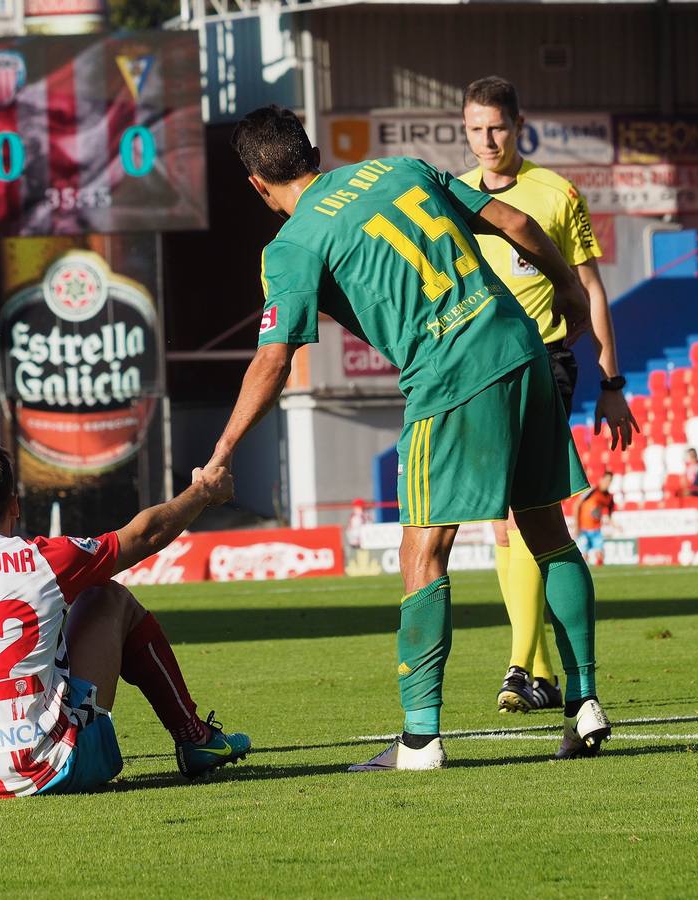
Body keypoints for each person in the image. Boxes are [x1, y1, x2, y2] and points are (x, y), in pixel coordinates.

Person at [212, 105, 608, 770]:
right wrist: (568, 290)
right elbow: (513, 223)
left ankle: (421, 739)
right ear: (311, 151)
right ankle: (587, 701)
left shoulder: (291, 247)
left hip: (450, 376)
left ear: (256, 183)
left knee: (423, 555)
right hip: (519, 345)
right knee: (547, 532)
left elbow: (274, 359)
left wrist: (222, 453)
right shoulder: (400, 170)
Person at [0, 441, 251, 798]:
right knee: (107, 595)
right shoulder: (44, 558)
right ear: (15, 506)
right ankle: (194, 738)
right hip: (61, 765)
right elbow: (145, 535)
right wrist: (202, 492)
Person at [458, 76, 637, 714]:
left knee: (523, 513)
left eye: (497, 127)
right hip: (482, 371)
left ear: (518, 125)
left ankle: (520, 667)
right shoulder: (455, 197)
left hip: (546, 363)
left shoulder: (555, 193)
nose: (486, 139)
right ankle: (537, 670)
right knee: (502, 525)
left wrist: (612, 382)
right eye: (476, 127)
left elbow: (591, 288)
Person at [573, 473, 614, 566]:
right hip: (583, 529)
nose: (608, 483)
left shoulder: (609, 497)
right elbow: (576, 505)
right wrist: (577, 526)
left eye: (610, 481)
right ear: (602, 479)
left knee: (600, 556)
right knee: (583, 556)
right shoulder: (592, 490)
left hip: (596, 530)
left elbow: (609, 514)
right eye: (606, 480)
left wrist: (615, 525)